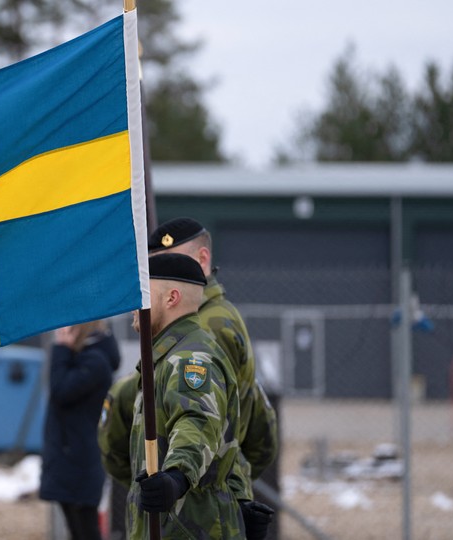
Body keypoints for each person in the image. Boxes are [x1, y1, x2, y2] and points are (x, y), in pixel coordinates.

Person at [148, 218, 278, 539]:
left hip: (197, 500)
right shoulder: (196, 322)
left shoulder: (210, 326)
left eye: (170, 260)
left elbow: (212, 423)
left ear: (202, 259)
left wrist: (228, 490)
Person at [101, 253, 244, 539]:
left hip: (186, 526)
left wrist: (176, 477)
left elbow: (197, 421)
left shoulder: (190, 359)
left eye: (144, 292)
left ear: (171, 298)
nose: (135, 302)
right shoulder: (165, 358)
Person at [40, 320, 121, 540]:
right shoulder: (86, 358)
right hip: (73, 458)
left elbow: (60, 391)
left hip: (79, 460)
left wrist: (61, 350)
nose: (60, 333)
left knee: (84, 527)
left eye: (66, 328)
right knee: (78, 527)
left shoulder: (94, 362)